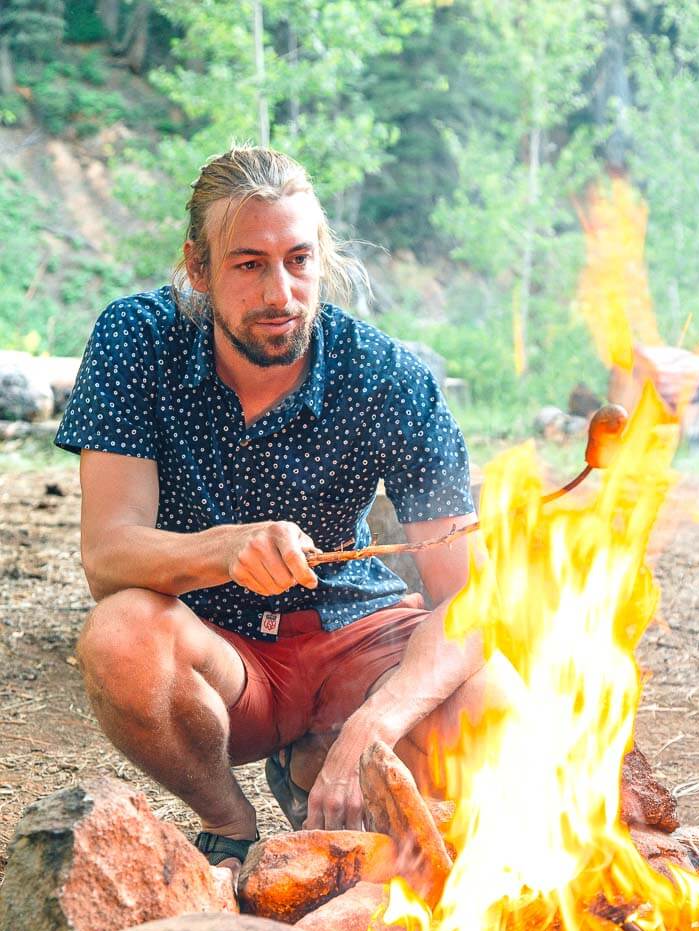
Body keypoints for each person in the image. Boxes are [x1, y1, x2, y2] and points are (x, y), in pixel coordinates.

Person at [55, 144, 488, 878]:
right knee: (119, 634)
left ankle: (323, 760)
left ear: (322, 259)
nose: (279, 292)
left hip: (357, 638)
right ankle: (228, 821)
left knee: (496, 705)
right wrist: (225, 548)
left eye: (298, 260)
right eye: (248, 264)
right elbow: (109, 556)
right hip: (220, 659)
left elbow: (470, 598)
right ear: (199, 268)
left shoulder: (388, 377)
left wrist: (372, 730)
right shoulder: (137, 339)